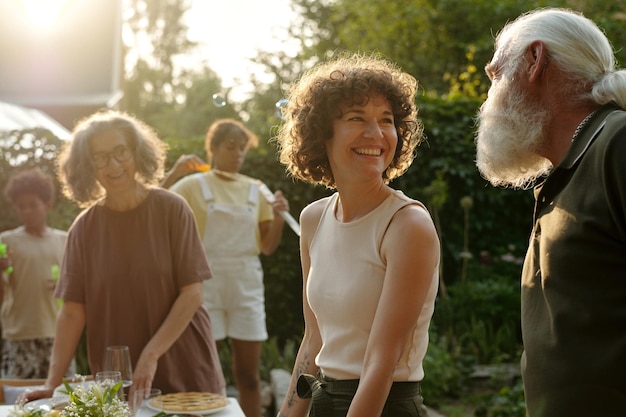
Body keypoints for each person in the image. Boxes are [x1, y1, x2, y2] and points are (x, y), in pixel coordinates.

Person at [476, 8, 626, 416]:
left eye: (495, 74)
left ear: (534, 60)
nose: (489, 94)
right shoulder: (567, 168)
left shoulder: (617, 143)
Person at [273, 52, 440, 417]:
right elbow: (313, 341)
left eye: (386, 120)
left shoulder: (407, 224)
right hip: (322, 403)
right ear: (322, 134)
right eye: (356, 119)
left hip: (384, 406)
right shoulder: (313, 219)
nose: (377, 134)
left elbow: (381, 360)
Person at [21, 109, 225, 403]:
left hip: (185, 368)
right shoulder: (84, 229)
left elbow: (192, 294)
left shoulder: (173, 209)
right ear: (87, 165)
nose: (113, 164)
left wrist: (150, 355)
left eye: (120, 152)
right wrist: (52, 384)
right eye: (100, 157)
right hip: (119, 381)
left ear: (137, 153)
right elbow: (72, 313)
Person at [161, 118, 289, 417]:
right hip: (206, 285)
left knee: (248, 375)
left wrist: (280, 217)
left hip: (247, 285)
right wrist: (174, 172)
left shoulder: (257, 189)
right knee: (207, 374)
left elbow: (268, 247)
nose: (238, 154)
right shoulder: (193, 184)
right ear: (214, 149)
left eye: (242, 149)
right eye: (231, 147)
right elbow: (152, 203)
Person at [0, 168, 74, 378]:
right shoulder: (6, 241)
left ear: (47, 205)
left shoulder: (64, 240)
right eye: (21, 207)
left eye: (32, 205)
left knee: (63, 401)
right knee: (19, 405)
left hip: (58, 334)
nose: (26, 211)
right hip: (20, 335)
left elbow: (77, 288)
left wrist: (62, 285)